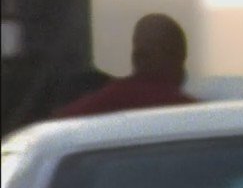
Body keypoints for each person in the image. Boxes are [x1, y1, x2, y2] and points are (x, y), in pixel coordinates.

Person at [53, 13, 197, 118]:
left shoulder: (97, 105)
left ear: (135, 56)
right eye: (181, 57)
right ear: (175, 56)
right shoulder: (189, 114)